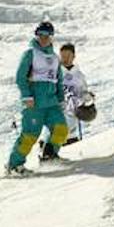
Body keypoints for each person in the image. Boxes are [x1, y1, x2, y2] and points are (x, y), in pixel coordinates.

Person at [7, 21, 69, 175]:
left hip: (52, 102)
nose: (44, 38)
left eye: (47, 35)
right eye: (41, 34)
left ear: (52, 37)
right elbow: (20, 76)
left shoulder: (55, 58)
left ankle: (49, 155)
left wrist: (61, 99)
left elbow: (59, 80)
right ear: (36, 35)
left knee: (61, 129)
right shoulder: (30, 53)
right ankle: (14, 165)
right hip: (34, 102)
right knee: (30, 135)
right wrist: (26, 96)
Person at [42, 42, 91, 160]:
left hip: (72, 119)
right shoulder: (54, 73)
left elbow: (83, 93)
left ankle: (53, 154)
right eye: (63, 56)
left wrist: (87, 98)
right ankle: (47, 153)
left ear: (74, 56)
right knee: (55, 131)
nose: (65, 59)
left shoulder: (79, 76)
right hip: (57, 111)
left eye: (68, 56)